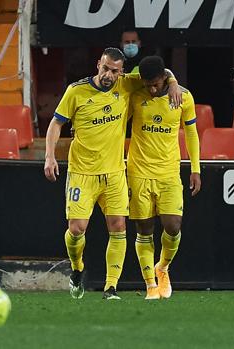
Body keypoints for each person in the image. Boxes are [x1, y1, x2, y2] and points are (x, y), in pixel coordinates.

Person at [44, 48, 181, 300]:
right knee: (76, 230)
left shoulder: (127, 85)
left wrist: (172, 83)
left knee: (118, 227)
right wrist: (50, 156)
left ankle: (110, 288)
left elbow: (158, 71)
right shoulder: (76, 91)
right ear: (98, 64)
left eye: (115, 71)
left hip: (115, 172)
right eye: (105, 68)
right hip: (82, 173)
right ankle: (77, 268)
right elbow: (56, 123)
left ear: (122, 72)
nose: (109, 74)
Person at [127, 56, 201, 300]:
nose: (151, 88)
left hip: (169, 171)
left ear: (163, 78)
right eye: (148, 84)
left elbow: (191, 132)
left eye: (156, 83)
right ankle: (150, 285)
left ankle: (163, 268)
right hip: (139, 171)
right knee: (144, 228)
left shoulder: (182, 96)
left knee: (173, 225)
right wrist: (170, 77)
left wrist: (195, 168)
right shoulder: (136, 93)